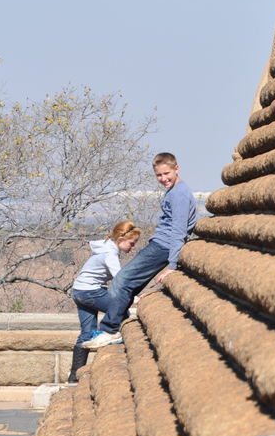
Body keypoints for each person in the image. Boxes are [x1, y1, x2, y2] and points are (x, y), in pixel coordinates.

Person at [84, 152, 197, 349]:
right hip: (160, 244)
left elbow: (179, 231)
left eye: (166, 173)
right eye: (159, 175)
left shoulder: (179, 194)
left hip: (163, 246)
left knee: (122, 281)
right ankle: (114, 325)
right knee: (128, 283)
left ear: (177, 169)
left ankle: (110, 330)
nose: (163, 179)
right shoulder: (175, 191)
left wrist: (172, 265)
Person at [68, 221, 140, 382]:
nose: (132, 247)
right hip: (91, 292)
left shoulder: (106, 248)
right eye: (131, 243)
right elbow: (119, 278)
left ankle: (74, 376)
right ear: (121, 238)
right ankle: (124, 358)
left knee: (87, 334)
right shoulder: (110, 253)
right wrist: (132, 298)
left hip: (79, 291)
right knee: (121, 314)